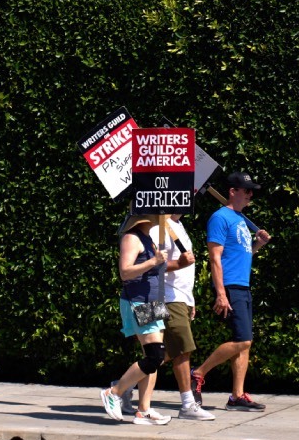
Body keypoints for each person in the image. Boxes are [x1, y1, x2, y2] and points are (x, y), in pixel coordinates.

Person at [190, 172, 272, 412]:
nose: (250, 195)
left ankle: (237, 396)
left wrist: (258, 244)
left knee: (244, 343)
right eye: (246, 190)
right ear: (233, 191)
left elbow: (244, 254)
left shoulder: (240, 220)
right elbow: (215, 258)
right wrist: (221, 293)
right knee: (243, 339)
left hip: (243, 286)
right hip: (230, 286)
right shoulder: (220, 218)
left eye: (251, 191)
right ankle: (198, 372)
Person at [100, 216, 172, 425]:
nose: (163, 213)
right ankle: (114, 392)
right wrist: (153, 261)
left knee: (155, 358)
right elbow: (125, 272)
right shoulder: (132, 238)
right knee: (154, 355)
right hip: (139, 301)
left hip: (154, 302)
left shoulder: (149, 238)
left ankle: (144, 410)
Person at [155, 214, 216, 421]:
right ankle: (188, 404)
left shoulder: (178, 225)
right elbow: (151, 263)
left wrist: (189, 300)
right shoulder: (159, 225)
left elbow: (184, 271)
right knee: (183, 349)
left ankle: (122, 388)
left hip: (178, 297)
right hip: (165, 296)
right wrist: (179, 263)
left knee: (161, 352)